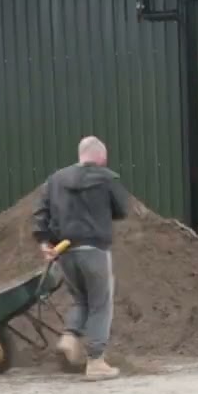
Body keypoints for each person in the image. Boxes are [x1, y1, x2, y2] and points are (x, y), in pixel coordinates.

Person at [32, 136, 130, 381]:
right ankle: (96, 361)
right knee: (100, 304)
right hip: (94, 249)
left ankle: (70, 336)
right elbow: (122, 209)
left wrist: (45, 243)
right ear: (100, 157)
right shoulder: (107, 178)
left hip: (64, 251)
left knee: (80, 301)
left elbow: (40, 214)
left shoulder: (54, 180)